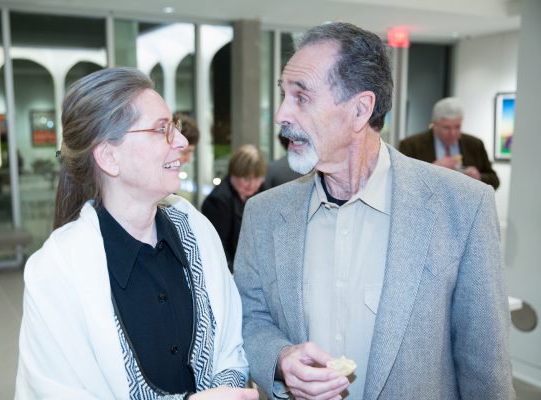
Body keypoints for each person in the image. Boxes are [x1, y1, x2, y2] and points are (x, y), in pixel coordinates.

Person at [234, 22, 514, 400]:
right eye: (284, 95)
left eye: (301, 97)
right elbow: (249, 318)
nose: (282, 114)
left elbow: (485, 368)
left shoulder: (463, 207)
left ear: (360, 109)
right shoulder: (263, 213)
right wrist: (281, 359)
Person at [16, 67, 258, 400]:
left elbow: (230, 343)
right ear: (109, 156)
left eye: (174, 126)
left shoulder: (197, 231)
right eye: (161, 129)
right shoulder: (56, 272)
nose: (182, 142)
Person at [399, 97, 500, 189]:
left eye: (457, 127)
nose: (453, 133)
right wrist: (431, 169)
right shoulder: (411, 145)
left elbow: (495, 181)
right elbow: (401, 181)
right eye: (447, 128)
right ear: (434, 124)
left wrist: (478, 177)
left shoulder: (475, 145)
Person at [201, 144, 265, 273]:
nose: (252, 184)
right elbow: (218, 249)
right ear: (233, 174)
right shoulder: (217, 202)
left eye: (257, 178)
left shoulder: (262, 192)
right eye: (246, 179)